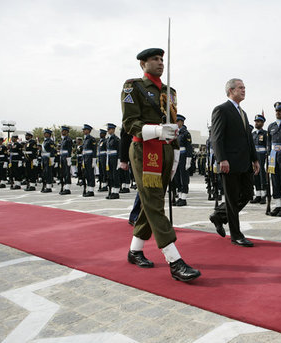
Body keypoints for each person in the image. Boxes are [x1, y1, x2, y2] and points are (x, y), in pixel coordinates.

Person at [122, 47, 200, 281]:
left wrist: (173, 144)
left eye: (161, 59)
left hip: (166, 150)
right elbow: (129, 122)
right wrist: (156, 129)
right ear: (142, 64)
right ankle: (174, 260)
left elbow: (173, 122)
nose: (160, 63)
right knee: (155, 204)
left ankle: (135, 250)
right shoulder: (133, 86)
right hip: (146, 150)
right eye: (154, 59)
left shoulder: (170, 91)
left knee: (150, 202)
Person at [208, 78, 259, 247]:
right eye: (240, 87)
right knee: (231, 198)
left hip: (244, 162)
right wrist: (221, 158)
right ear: (230, 90)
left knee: (247, 194)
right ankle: (236, 235)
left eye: (244, 87)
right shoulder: (222, 110)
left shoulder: (242, 113)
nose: (244, 90)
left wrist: (255, 159)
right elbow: (216, 137)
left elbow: (248, 140)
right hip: (229, 163)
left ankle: (219, 216)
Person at [174, 114, 193, 206]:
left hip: (183, 157)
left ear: (182, 122)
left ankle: (184, 198)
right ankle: (180, 197)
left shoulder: (186, 133)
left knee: (184, 178)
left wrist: (188, 160)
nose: (176, 123)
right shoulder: (176, 133)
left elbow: (189, 148)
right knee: (177, 177)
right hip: (176, 157)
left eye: (178, 121)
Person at [250, 114, 268, 205]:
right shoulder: (252, 134)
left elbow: (267, 147)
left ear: (262, 123)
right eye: (256, 121)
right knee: (255, 176)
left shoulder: (265, 134)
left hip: (262, 156)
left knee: (262, 176)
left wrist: (267, 159)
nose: (256, 123)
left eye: (258, 121)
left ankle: (264, 195)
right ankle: (258, 195)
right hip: (254, 157)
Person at [105, 123, 121, 199]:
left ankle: (116, 192)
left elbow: (119, 150)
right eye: (107, 129)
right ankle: (112, 191)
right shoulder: (108, 139)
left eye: (109, 129)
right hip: (109, 158)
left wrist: (119, 160)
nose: (108, 130)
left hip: (115, 159)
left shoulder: (116, 139)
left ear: (113, 130)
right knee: (110, 175)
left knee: (115, 175)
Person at [81, 124, 97, 197]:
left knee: (90, 174)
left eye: (85, 130)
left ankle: (91, 190)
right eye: (83, 130)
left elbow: (94, 150)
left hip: (90, 158)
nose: (84, 131)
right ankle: (88, 189)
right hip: (85, 158)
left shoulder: (92, 139)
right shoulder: (85, 139)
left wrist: (94, 160)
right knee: (86, 174)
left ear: (89, 131)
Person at [58, 126, 73, 195]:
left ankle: (67, 188)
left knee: (67, 173)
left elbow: (69, 149)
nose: (62, 132)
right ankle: (64, 187)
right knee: (63, 173)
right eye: (62, 131)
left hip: (66, 157)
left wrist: (69, 158)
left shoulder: (68, 140)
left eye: (63, 131)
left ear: (67, 132)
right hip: (62, 157)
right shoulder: (63, 140)